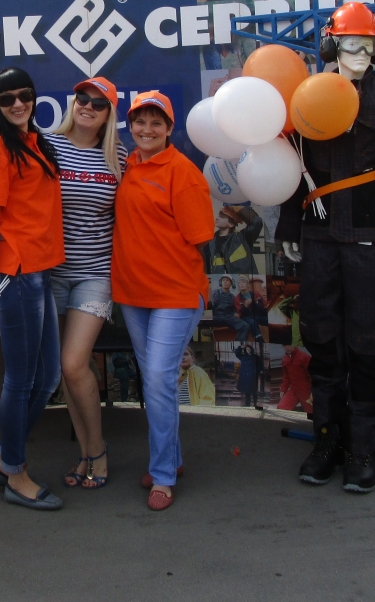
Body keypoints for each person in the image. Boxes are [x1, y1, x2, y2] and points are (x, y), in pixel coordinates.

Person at [277, 1, 375, 494]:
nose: (360, 54)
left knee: (367, 340)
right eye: (350, 44)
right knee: (321, 339)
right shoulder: (307, 98)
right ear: (332, 45)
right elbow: (294, 168)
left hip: (373, 239)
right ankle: (327, 442)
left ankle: (362, 449)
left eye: (369, 46)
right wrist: (288, 230)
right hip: (319, 238)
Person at [111, 90, 215, 511]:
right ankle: (170, 458)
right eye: (140, 121)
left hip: (174, 293)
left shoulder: (183, 172)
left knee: (156, 378)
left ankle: (164, 476)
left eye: (156, 123)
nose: (146, 129)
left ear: (170, 129)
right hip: (134, 294)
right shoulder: (128, 164)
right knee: (157, 380)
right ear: (130, 126)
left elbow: (200, 238)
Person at [0, 67, 65, 511]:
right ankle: (16, 471)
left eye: (24, 95)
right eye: (6, 99)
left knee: (47, 378)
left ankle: (4, 460)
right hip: (16, 275)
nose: (17, 104)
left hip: (39, 272)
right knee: (23, 379)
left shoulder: (34, 142)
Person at [47, 76, 128, 491]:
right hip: (51, 272)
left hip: (95, 274)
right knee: (65, 367)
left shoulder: (119, 160)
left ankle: (97, 450)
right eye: (82, 98)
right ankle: (84, 454)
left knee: (74, 361)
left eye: (98, 103)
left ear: (108, 115)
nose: (88, 107)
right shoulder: (48, 146)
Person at [207, 205, 263, 275]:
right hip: (217, 283)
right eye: (219, 215)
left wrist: (237, 208)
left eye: (222, 217)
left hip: (241, 282)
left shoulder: (242, 238)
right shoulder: (209, 242)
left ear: (231, 224)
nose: (217, 218)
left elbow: (257, 222)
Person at [279, 344, 313, 414]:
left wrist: (313, 390)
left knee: (311, 412)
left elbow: (312, 375)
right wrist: (283, 389)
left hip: (306, 389)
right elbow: (286, 376)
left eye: (288, 345)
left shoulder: (304, 356)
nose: (287, 347)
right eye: (284, 346)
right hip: (293, 389)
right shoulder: (285, 359)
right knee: (281, 408)